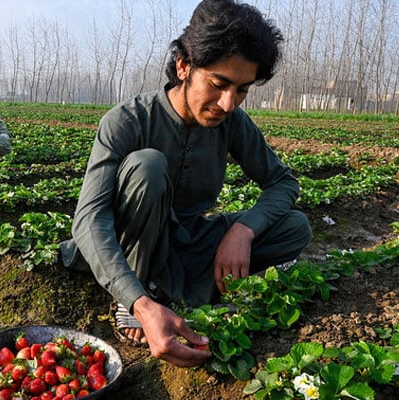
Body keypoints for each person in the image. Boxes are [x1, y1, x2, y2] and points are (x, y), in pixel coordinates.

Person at [60, 0, 311, 368]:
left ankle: (175, 286)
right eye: (219, 83)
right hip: (133, 243)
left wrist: (242, 230)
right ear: (183, 66)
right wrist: (138, 302)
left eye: (242, 90)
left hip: (189, 240)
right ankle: (140, 293)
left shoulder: (233, 123)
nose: (228, 103)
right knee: (147, 167)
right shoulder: (127, 121)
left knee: (295, 226)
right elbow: (89, 219)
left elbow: (283, 182)